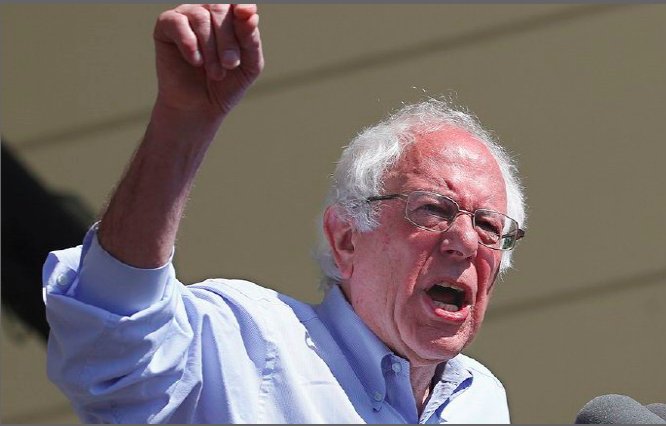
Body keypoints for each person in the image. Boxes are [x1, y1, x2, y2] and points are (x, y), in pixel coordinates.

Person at [43, 4, 526, 424]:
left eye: (488, 225)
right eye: (432, 210)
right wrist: (181, 123)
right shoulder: (246, 342)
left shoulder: (480, 401)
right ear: (346, 239)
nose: (465, 241)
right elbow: (112, 337)